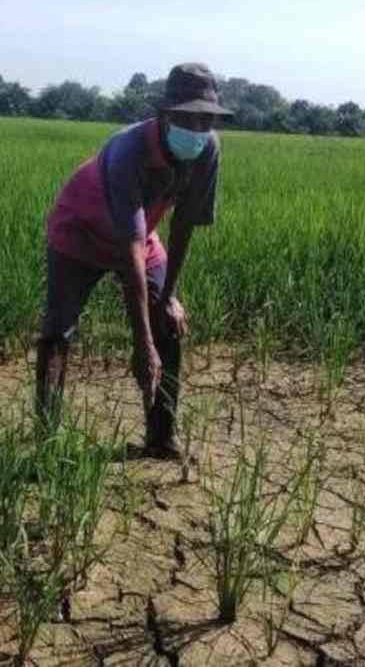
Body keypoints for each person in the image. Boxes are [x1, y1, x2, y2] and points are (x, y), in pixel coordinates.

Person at [35, 62, 231, 459]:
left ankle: (160, 438)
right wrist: (142, 344)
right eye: (187, 118)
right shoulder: (127, 150)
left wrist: (169, 296)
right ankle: (46, 442)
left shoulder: (207, 149)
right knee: (59, 330)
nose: (197, 129)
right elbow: (130, 251)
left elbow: (183, 227)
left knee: (170, 324)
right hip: (81, 232)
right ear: (164, 115)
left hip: (143, 236)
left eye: (205, 119)